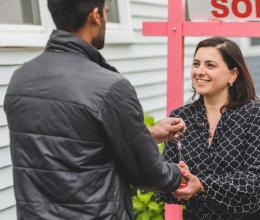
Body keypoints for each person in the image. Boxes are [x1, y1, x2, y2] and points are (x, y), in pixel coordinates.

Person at [3, 0, 187, 219]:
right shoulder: (109, 87)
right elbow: (146, 172)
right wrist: (180, 175)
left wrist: (146, 135)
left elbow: (68, 144)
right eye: (107, 12)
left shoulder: (20, 79)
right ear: (95, 16)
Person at [157, 37, 260, 220]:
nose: (199, 71)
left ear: (232, 75)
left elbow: (257, 179)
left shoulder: (254, 114)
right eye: (196, 64)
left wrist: (202, 185)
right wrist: (178, 180)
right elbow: (166, 181)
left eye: (210, 65)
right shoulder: (180, 117)